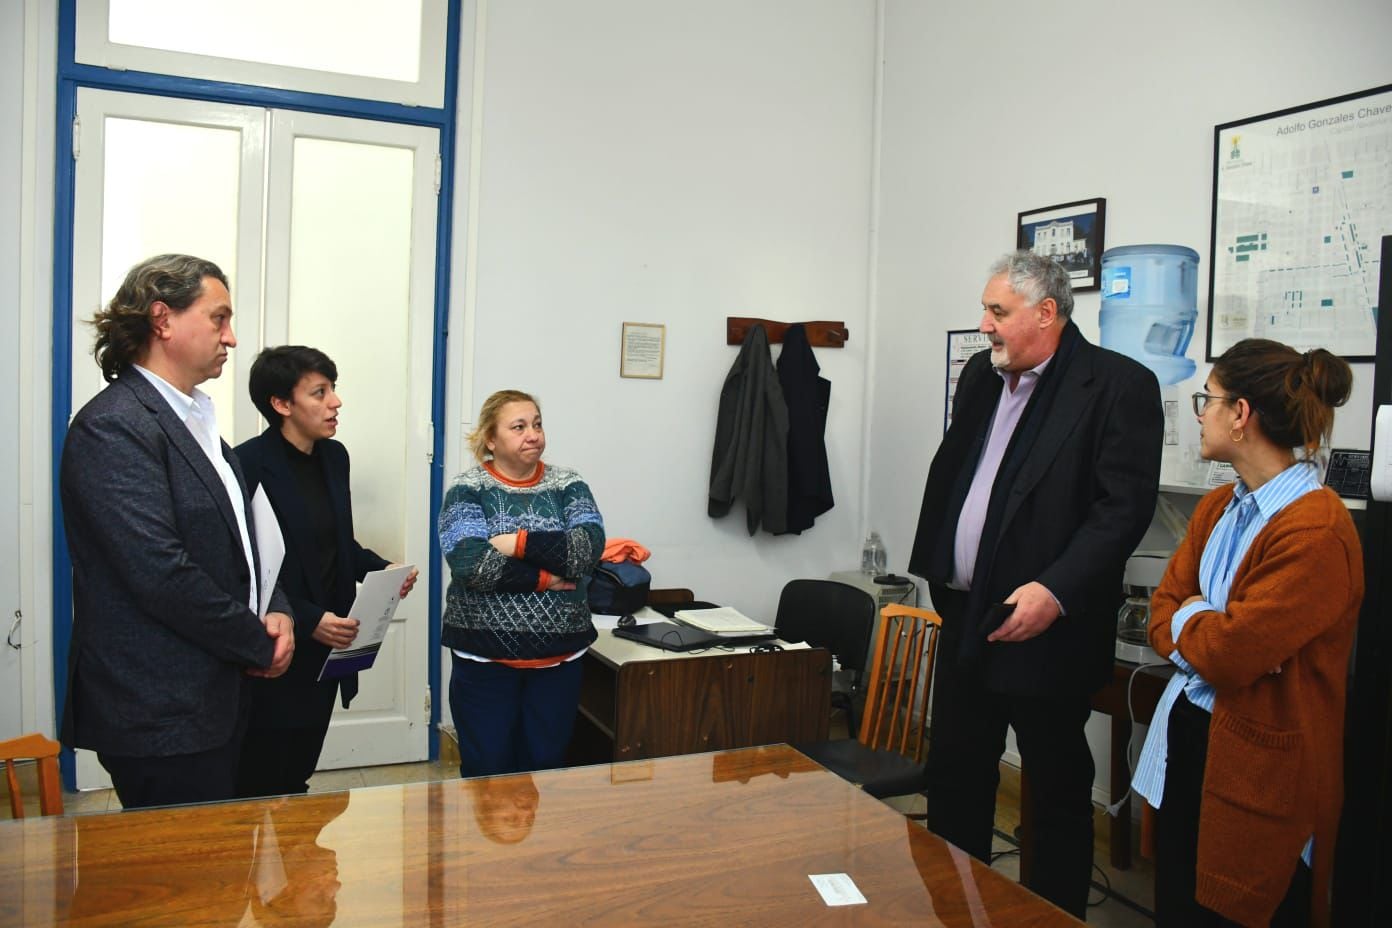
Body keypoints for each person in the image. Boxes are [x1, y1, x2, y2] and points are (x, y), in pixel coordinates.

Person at [906, 250, 1163, 916]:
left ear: (1046, 312)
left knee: (1052, 794)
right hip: (967, 615)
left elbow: (1121, 510)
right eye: (987, 309)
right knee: (957, 774)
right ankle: (953, 908)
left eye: (998, 311)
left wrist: (1056, 588)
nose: (985, 324)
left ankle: (1048, 916)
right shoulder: (982, 379)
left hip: (1045, 627)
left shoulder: (1115, 386)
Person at [1133, 339, 1361, 928]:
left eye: (1207, 399)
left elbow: (1233, 655)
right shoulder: (1218, 508)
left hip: (1258, 768)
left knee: (1239, 909)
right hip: (1192, 737)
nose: (1200, 412)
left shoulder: (1316, 530)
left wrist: (1196, 619)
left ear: (1240, 415)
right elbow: (1163, 610)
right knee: (1179, 906)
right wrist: (1199, 623)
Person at [59, 253, 294, 809]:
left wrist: (277, 604)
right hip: (159, 710)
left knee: (217, 877)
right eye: (219, 318)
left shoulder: (198, 421)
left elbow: (245, 543)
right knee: (177, 885)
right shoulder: (113, 426)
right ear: (162, 319)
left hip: (215, 698)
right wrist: (256, 639)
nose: (231, 338)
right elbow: (159, 573)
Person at [234, 346, 418, 798]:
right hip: (279, 644)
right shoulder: (245, 464)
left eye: (333, 389)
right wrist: (308, 618)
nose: (335, 402)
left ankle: (299, 862)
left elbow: (339, 545)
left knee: (298, 772)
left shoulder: (335, 458)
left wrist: (383, 569)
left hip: (332, 645)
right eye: (320, 392)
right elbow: (246, 569)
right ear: (281, 404)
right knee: (260, 779)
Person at [438, 389, 605, 777]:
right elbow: (471, 562)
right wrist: (547, 578)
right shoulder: (467, 489)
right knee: (487, 770)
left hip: (559, 659)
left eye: (537, 423)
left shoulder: (568, 484)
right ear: (491, 439)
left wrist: (518, 542)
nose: (533, 434)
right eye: (519, 427)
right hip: (484, 660)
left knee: (546, 769)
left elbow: (587, 549)